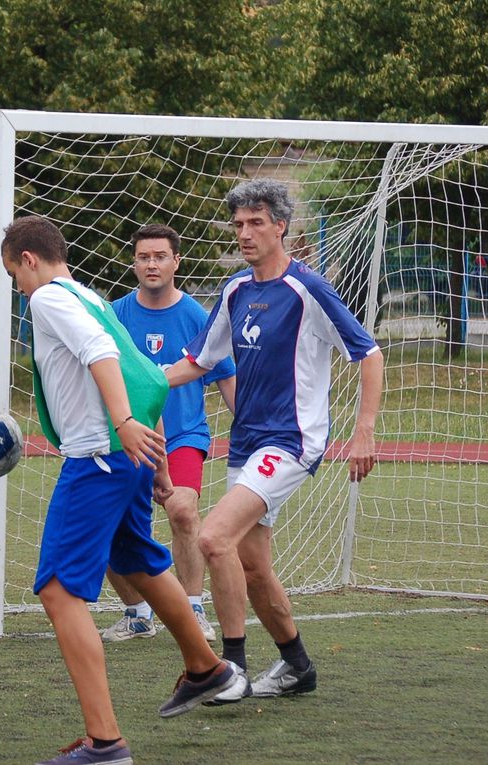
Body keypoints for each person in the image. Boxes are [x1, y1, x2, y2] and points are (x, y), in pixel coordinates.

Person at [1, 215, 243, 765]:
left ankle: (104, 744)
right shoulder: (92, 296)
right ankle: (207, 668)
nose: (17, 285)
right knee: (138, 561)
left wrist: (125, 422)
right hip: (129, 457)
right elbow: (148, 375)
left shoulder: (49, 300)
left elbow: (102, 357)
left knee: (59, 592)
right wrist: (153, 454)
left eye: (14, 272)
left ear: (29, 260)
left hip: (98, 459)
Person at [164, 178, 384, 704]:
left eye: (256, 222)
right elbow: (198, 361)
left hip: (291, 442)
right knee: (252, 566)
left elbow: (369, 354)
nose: (245, 233)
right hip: (246, 444)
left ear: (280, 226)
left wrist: (364, 431)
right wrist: (136, 383)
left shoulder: (307, 289)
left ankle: (228, 672)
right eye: (239, 224)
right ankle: (297, 666)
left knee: (213, 538)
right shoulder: (236, 290)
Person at [101, 223, 236, 644]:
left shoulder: (198, 315)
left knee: (181, 510)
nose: (152, 264)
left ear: (176, 261)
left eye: (160, 256)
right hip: (128, 437)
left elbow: (226, 375)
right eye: (144, 257)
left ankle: (193, 607)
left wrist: (252, 429)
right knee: (100, 525)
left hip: (182, 437)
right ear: (134, 263)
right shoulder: (116, 314)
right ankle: (138, 613)